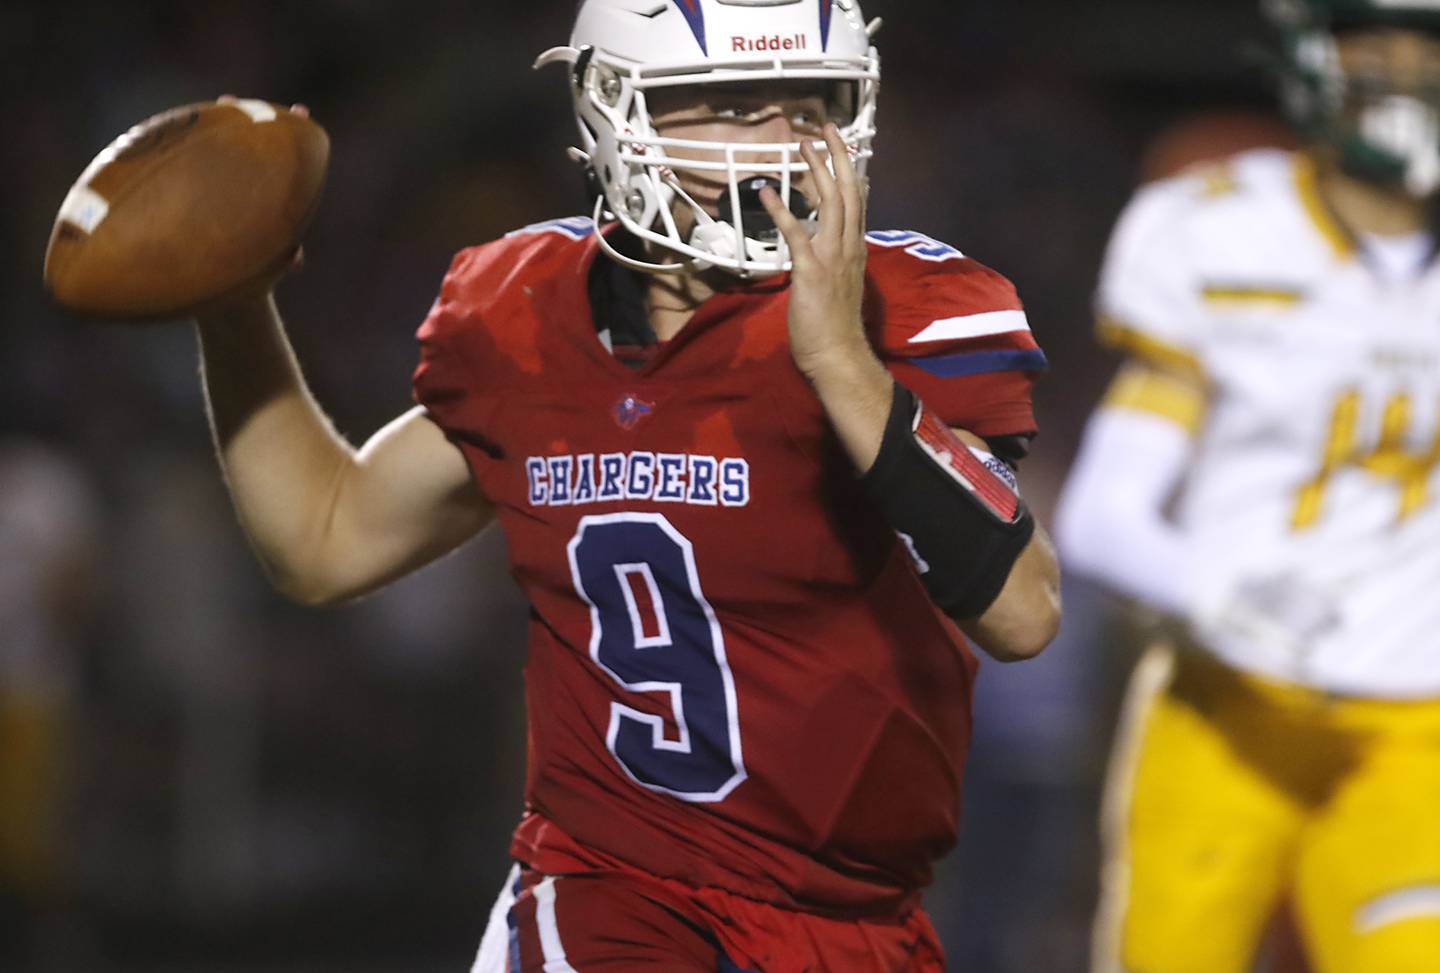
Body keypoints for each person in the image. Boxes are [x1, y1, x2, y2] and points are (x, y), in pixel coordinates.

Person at [192, 1, 1060, 969]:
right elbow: (326, 534)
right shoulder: (523, 314)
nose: (779, 141)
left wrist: (842, 365)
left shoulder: (907, 307)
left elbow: (1023, 613)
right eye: (730, 106)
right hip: (612, 889)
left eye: (809, 102)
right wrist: (233, 315)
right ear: (614, 107)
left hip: (852, 917)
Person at [1056, 2, 1440, 971]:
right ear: (1313, 56)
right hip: (1230, 705)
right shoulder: (1222, 225)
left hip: (1417, 723)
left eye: (1430, 45)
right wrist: (1222, 591)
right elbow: (1102, 513)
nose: (1404, 69)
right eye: (1375, 42)